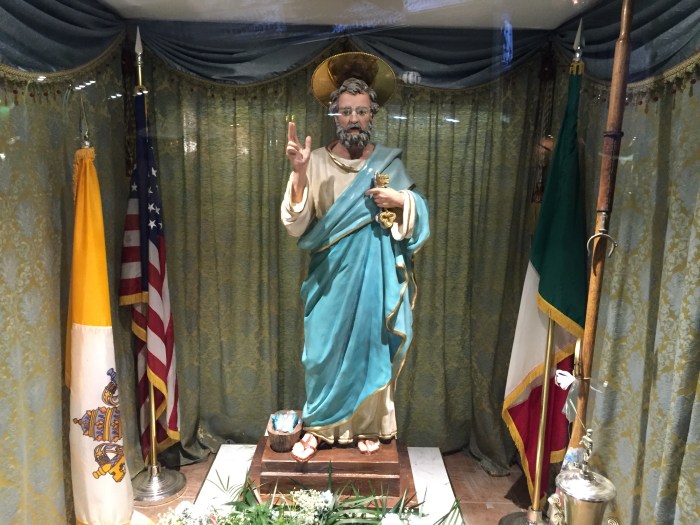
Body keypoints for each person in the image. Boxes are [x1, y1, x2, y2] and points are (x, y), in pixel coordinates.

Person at [280, 52, 429, 462]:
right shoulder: (314, 161)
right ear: (335, 116)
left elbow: (419, 214)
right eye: (345, 112)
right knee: (321, 352)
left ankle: (367, 425)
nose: (353, 120)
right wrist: (298, 174)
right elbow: (295, 224)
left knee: (368, 347)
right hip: (329, 279)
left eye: (361, 111)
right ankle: (320, 424)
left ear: (372, 116)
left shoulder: (387, 163)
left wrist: (400, 200)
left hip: (373, 278)